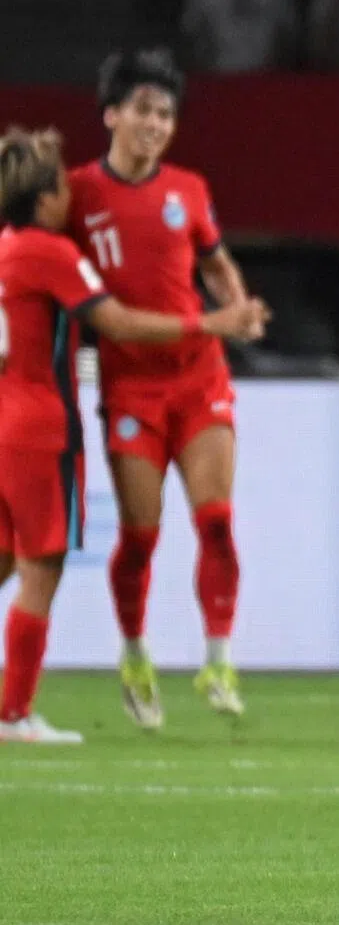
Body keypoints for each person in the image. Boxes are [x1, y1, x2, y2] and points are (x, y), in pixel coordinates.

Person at [0, 127, 264, 743]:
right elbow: (116, 321)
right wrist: (213, 321)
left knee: (7, 558)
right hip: (41, 426)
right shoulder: (51, 253)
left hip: (7, 416)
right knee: (42, 567)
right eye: (61, 187)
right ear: (44, 200)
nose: (72, 197)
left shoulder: (7, 245)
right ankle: (14, 714)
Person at [67, 48, 262, 730]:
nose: (156, 124)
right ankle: (135, 652)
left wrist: (239, 302)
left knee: (216, 524)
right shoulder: (76, 194)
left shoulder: (188, 189)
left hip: (199, 378)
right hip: (130, 390)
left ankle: (217, 657)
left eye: (167, 114)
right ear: (112, 115)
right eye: (144, 111)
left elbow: (215, 261)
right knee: (142, 536)